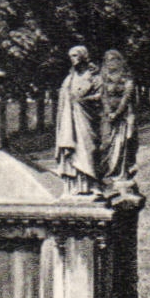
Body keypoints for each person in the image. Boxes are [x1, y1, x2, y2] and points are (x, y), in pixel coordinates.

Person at [54, 45, 101, 195]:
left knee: (88, 149)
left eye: (75, 55)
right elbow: (63, 98)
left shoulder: (94, 77)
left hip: (87, 119)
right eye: (70, 56)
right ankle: (74, 185)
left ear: (83, 56)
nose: (72, 59)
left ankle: (92, 184)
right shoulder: (69, 78)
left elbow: (101, 96)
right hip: (69, 120)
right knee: (72, 150)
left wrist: (84, 100)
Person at [99, 49, 141, 205]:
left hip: (123, 118)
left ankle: (121, 174)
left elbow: (126, 97)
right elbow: (103, 96)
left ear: (119, 61)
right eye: (108, 60)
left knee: (122, 145)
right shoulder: (104, 78)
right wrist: (109, 112)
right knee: (106, 146)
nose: (110, 63)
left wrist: (116, 113)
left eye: (113, 60)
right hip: (109, 118)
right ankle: (109, 174)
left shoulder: (126, 78)